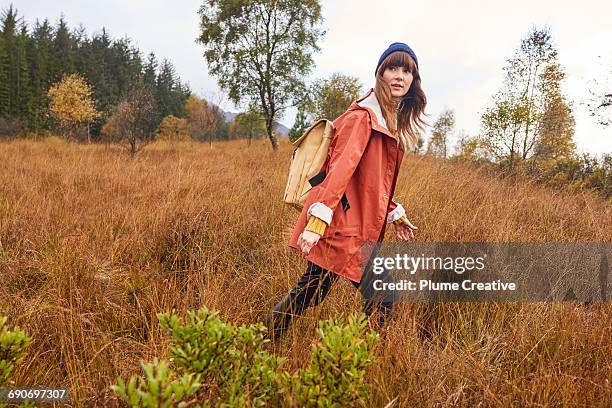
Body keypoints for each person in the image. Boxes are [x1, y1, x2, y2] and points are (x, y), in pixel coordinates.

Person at [263, 42, 427, 340]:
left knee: (311, 292)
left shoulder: (384, 121)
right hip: (341, 226)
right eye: (393, 67)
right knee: (381, 297)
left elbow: (367, 182)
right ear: (380, 72)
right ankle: (358, 356)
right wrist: (317, 222)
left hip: (351, 225)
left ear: (414, 80)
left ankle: (264, 340)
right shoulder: (361, 119)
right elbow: (338, 174)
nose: (399, 76)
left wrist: (394, 212)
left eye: (407, 71)